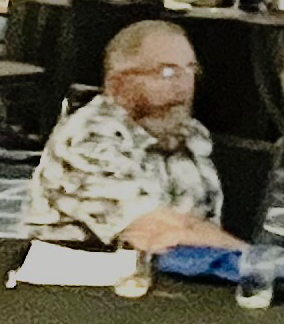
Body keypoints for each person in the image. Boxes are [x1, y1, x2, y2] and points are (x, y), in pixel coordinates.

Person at [26, 20, 240, 250]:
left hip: (166, 274)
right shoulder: (88, 138)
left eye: (191, 69)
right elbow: (156, 233)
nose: (184, 84)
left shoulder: (191, 134)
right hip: (75, 278)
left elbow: (202, 226)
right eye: (166, 72)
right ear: (118, 85)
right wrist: (258, 261)